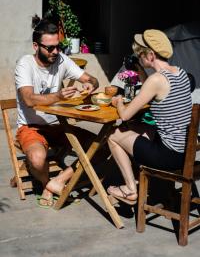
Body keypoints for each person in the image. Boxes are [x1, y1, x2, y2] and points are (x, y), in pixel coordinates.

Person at [15, 15, 99, 207]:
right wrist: (59, 96)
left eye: (58, 46)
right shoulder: (25, 64)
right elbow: (28, 99)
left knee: (102, 147)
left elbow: (92, 79)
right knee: (37, 160)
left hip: (58, 125)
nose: (55, 51)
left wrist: (90, 85)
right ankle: (46, 182)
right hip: (31, 127)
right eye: (50, 47)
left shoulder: (61, 60)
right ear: (36, 46)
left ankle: (57, 181)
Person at [107, 29, 192, 204]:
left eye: (140, 55)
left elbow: (124, 115)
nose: (138, 57)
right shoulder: (180, 72)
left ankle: (130, 189)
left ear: (151, 55)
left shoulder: (157, 80)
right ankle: (143, 183)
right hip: (184, 153)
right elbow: (154, 89)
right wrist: (139, 69)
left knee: (113, 135)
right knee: (143, 128)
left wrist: (118, 102)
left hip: (167, 156)